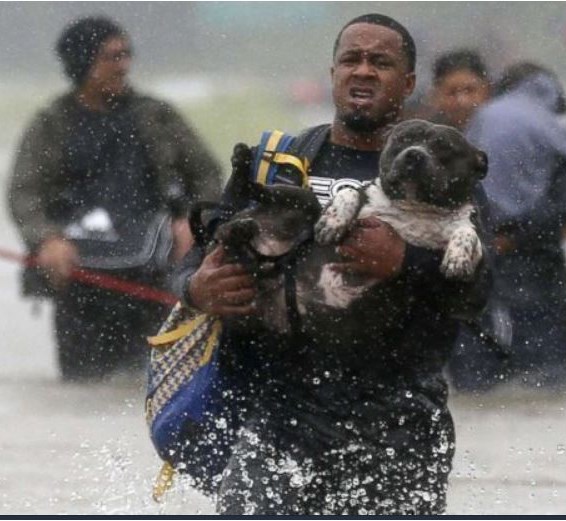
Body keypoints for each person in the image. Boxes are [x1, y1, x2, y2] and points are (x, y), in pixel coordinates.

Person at [173, 14, 490, 514]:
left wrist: (406, 261)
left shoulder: (447, 178)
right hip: (279, 416)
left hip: (401, 424)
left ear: (407, 83)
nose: (363, 71)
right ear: (333, 73)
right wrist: (196, 289)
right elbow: (195, 258)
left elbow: (481, 298)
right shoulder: (278, 163)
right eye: (352, 59)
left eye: (380, 62)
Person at [7, 16, 222, 382]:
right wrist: (46, 239)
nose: (124, 66)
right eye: (112, 57)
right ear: (82, 62)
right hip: (81, 279)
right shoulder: (51, 124)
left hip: (154, 273)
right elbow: (25, 192)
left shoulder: (157, 116)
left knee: (157, 380)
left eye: (126, 55)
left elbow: (207, 175)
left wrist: (192, 223)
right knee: (83, 388)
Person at [452, 61, 566, 392]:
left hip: (486, 246)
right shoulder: (548, 126)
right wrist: (556, 220)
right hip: (527, 246)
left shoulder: (482, 120)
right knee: (547, 357)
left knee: (486, 349)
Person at [427, 49, 491, 130]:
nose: (462, 101)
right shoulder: (427, 137)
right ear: (436, 96)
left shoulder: (503, 131)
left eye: (469, 90)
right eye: (452, 93)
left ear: (486, 90)